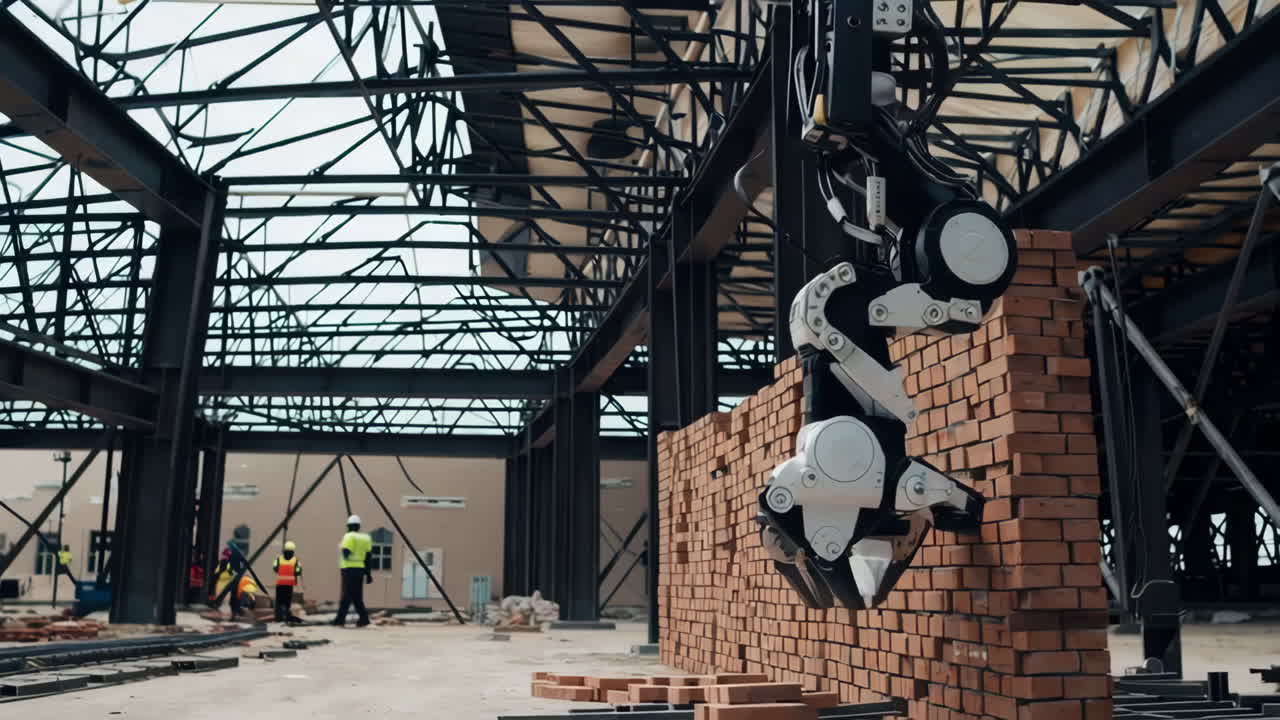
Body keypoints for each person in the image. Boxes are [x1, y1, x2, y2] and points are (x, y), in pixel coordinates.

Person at [332, 514, 372, 628]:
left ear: (348, 526)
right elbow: (368, 557)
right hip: (360, 570)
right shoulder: (366, 538)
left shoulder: (349, 536)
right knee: (357, 596)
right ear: (359, 526)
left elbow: (346, 553)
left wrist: (342, 547)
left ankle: (340, 620)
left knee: (346, 596)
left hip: (348, 570)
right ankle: (364, 619)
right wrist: (368, 574)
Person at [273, 541, 302, 623]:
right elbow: (298, 570)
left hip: (280, 584)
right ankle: (286, 617)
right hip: (289, 585)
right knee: (287, 603)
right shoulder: (295, 560)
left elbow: (275, 568)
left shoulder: (279, 559)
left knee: (279, 602)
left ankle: (278, 618)